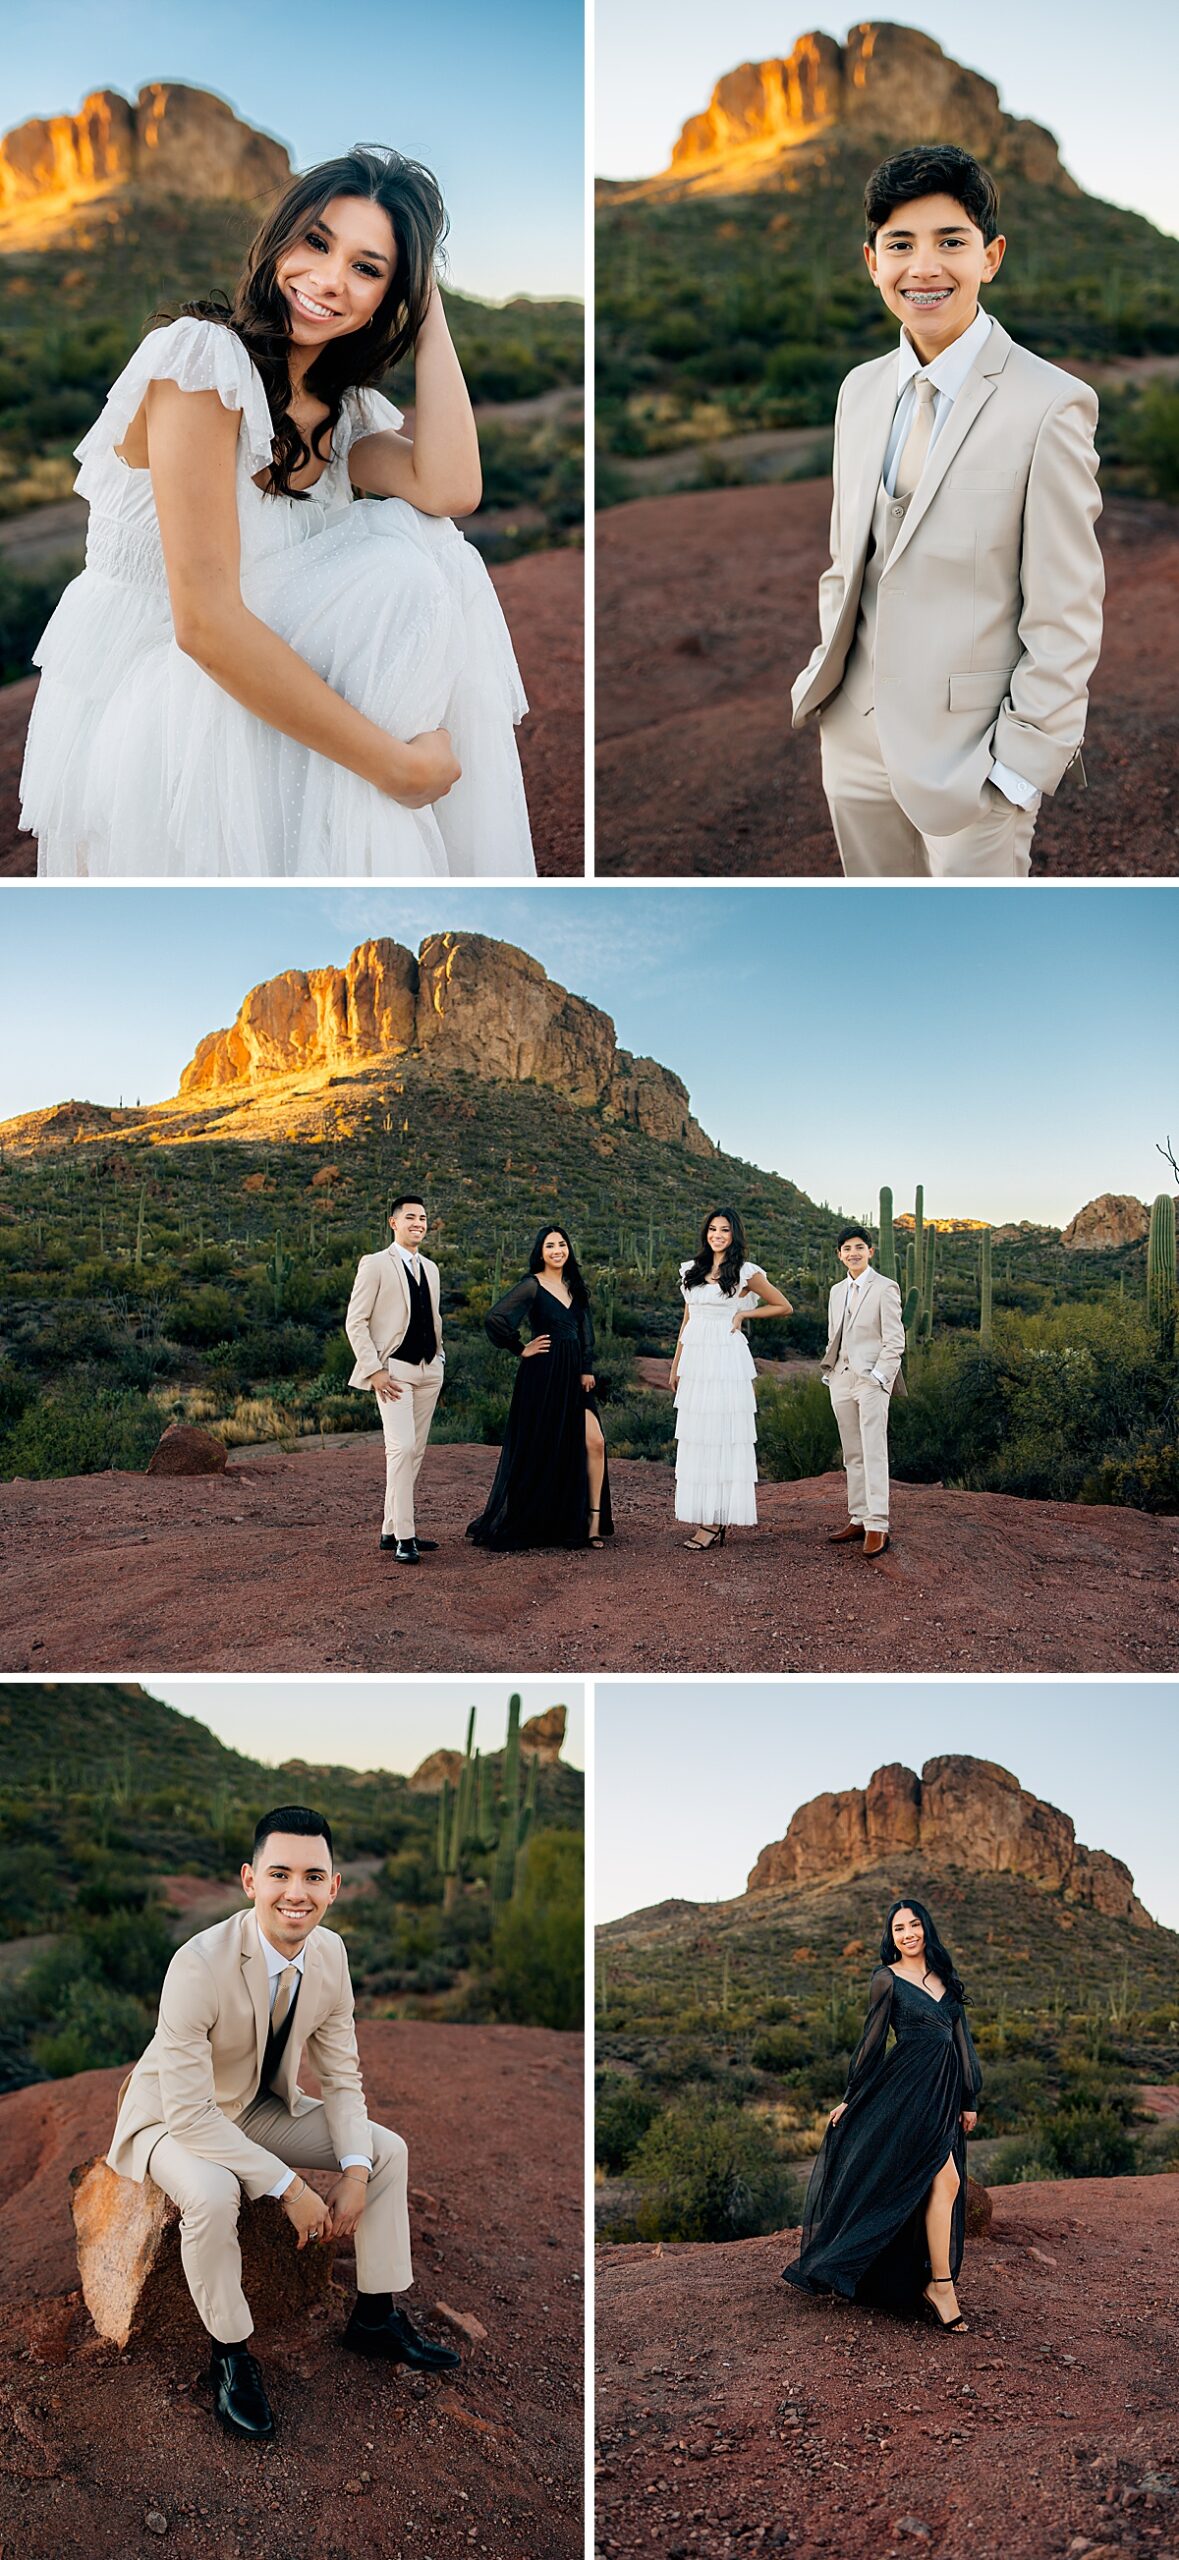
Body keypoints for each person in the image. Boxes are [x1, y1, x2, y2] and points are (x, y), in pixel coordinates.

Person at [21, 146, 535, 878]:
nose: (328, 281)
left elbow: (451, 490)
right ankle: (393, 794)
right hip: (160, 689)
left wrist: (428, 314)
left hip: (253, 669)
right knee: (398, 571)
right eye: (316, 243)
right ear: (279, 239)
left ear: (391, 296)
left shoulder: (341, 413)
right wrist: (393, 766)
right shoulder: (201, 361)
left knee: (432, 544)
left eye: (368, 269)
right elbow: (203, 625)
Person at [791, 143, 1103, 878]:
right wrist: (829, 692)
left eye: (950, 242)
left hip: (974, 756)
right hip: (853, 740)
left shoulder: (1051, 403)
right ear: (872, 262)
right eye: (900, 244)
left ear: (990, 257)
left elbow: (1066, 605)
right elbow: (847, 559)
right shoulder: (858, 390)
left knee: (976, 933)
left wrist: (1020, 765)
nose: (923, 267)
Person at [106, 1804, 460, 2440]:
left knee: (385, 2151)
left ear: (334, 1886)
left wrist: (354, 2172)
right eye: (279, 1874)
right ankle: (230, 2357)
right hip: (169, 2118)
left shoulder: (331, 1954)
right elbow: (189, 2114)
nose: (297, 1892)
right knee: (213, 2193)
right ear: (250, 1881)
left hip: (255, 2107)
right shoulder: (196, 1963)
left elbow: (342, 2077)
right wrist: (291, 2188)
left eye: (313, 1876)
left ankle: (374, 2318)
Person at [783, 1898, 982, 2329]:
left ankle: (933, 2282)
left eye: (914, 1925)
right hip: (906, 2091)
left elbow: (961, 2041)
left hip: (942, 2093)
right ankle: (940, 2287)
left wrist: (969, 2097)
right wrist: (852, 2096)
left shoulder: (945, 1977)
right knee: (945, 2180)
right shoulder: (886, 1978)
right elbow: (872, 2043)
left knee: (939, 2183)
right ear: (891, 1937)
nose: (908, 1934)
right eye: (899, 1929)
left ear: (927, 1928)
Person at [467, 1224, 612, 1551]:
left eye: (562, 1244)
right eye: (550, 1246)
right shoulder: (531, 1285)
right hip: (543, 1375)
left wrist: (587, 1368)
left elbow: (586, 1333)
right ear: (540, 1252)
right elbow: (495, 1318)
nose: (557, 1251)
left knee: (595, 1442)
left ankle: (592, 1521)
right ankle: (540, 1520)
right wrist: (520, 1348)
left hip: (574, 1377)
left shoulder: (575, 1287)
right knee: (542, 1445)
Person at [669, 1208, 793, 1550]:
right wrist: (676, 1364)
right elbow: (687, 1320)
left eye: (724, 1230)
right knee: (698, 1435)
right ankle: (707, 1514)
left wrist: (743, 1313)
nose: (717, 1235)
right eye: (712, 1229)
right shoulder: (691, 1271)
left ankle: (714, 1520)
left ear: (734, 1234)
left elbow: (783, 1306)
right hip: (696, 1359)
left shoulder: (745, 1272)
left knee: (721, 1435)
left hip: (725, 1357)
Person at [345, 1193, 444, 1563]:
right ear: (394, 1223)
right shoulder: (375, 1264)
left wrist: (440, 1356)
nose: (418, 1223)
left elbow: (433, 1317)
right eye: (411, 1217)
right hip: (393, 1372)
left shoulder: (431, 1268)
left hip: (429, 1370)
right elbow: (355, 1321)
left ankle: (390, 1529)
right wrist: (374, 1370)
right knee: (401, 1449)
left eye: (423, 1218)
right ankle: (406, 1536)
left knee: (414, 1452)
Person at [821, 1224, 906, 1557]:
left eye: (859, 1247)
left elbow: (895, 1341)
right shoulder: (835, 1291)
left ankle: (878, 1524)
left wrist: (879, 1378)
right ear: (839, 1255)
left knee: (873, 1451)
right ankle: (858, 1517)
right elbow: (834, 1335)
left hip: (871, 1381)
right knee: (852, 1453)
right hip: (841, 1378)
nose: (853, 1253)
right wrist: (831, 1373)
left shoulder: (885, 1287)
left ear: (870, 1251)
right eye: (847, 1248)